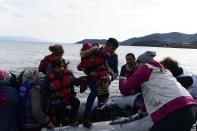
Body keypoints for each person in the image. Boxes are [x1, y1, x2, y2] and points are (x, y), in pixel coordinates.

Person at [119, 51, 197, 131]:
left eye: (137, 64)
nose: (137, 67)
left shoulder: (145, 68)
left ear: (141, 62)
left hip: (176, 112)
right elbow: (157, 94)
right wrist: (142, 109)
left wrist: (121, 79)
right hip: (192, 108)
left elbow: (124, 89)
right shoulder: (165, 71)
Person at [77, 43, 114, 128]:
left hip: (101, 78)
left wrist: (99, 49)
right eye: (86, 53)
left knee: (103, 95)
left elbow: (107, 55)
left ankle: (100, 111)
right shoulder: (84, 59)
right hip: (91, 79)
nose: (89, 55)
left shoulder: (99, 54)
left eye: (90, 53)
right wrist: (89, 72)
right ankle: (86, 117)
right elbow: (79, 67)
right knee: (94, 92)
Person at [45, 59, 80, 127]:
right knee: (62, 113)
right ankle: (62, 122)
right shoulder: (48, 79)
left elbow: (76, 82)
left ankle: (72, 120)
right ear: (53, 68)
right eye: (58, 68)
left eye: (62, 67)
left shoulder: (68, 74)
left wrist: (82, 79)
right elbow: (43, 88)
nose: (61, 69)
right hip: (56, 101)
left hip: (68, 97)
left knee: (76, 102)